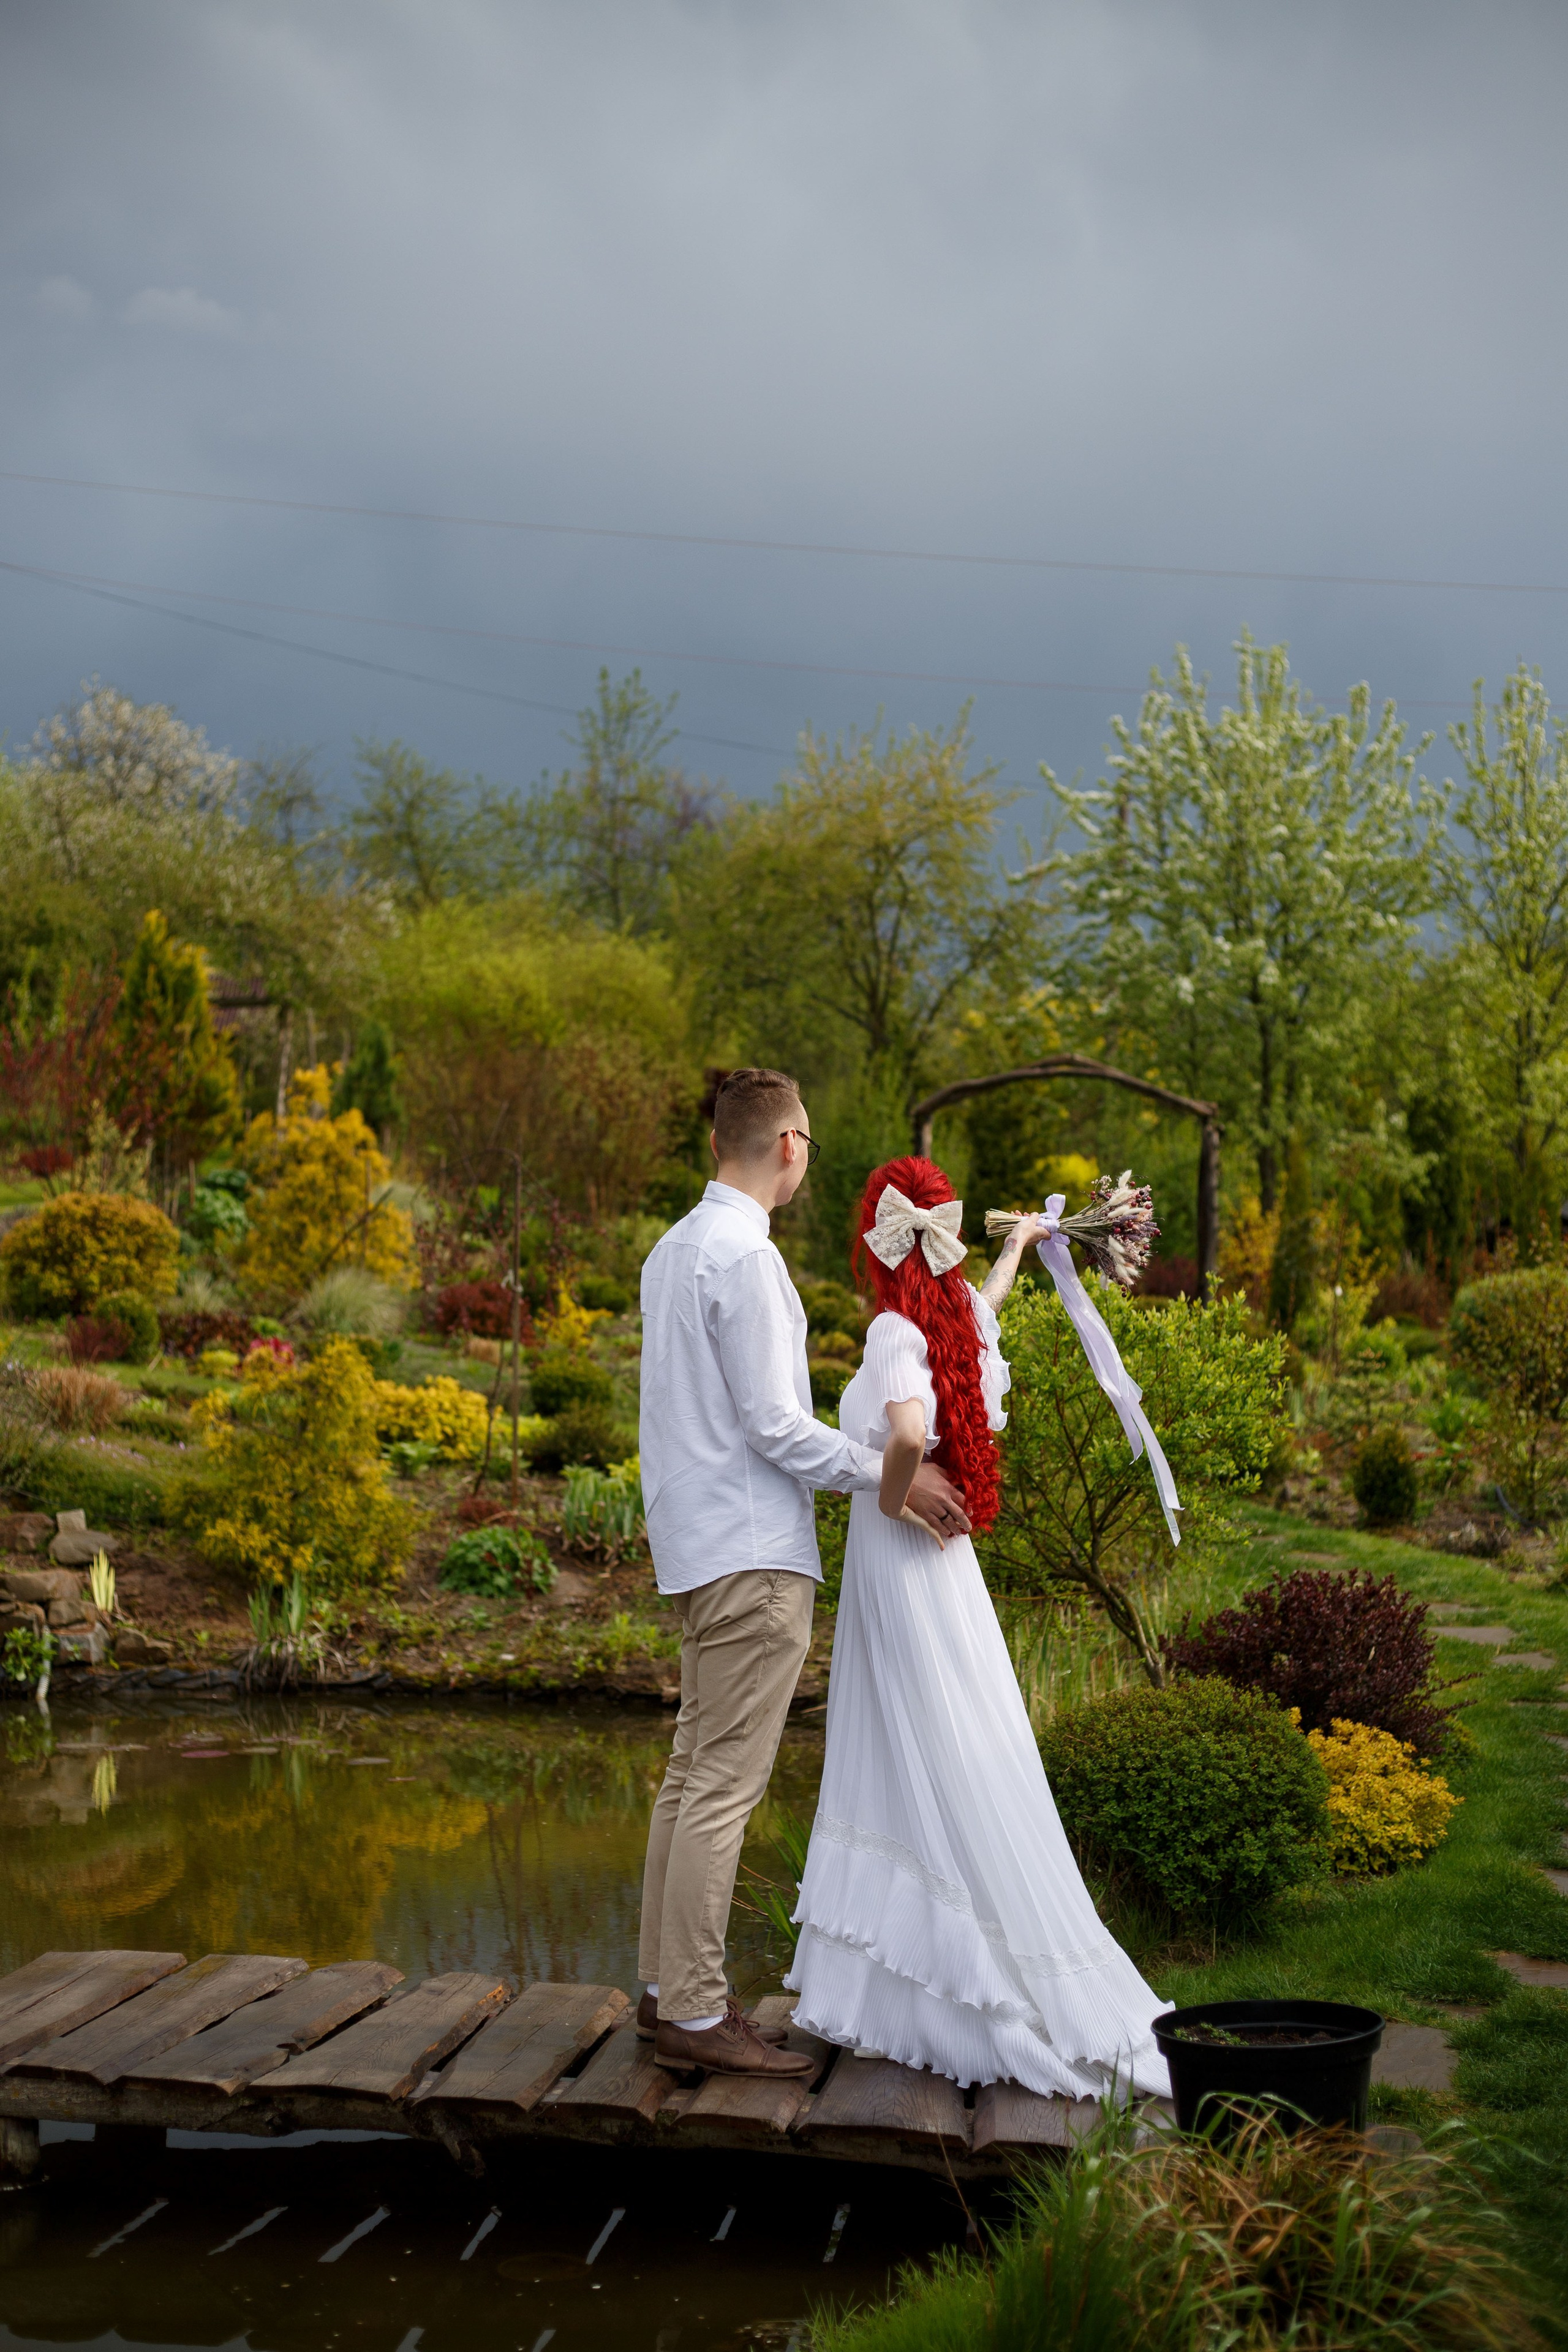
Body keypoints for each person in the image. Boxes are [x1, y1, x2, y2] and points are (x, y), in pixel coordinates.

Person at [786, 1154, 1172, 2100]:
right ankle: (921, 1983)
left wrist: (894, 1496)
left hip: (902, 1555)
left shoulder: (892, 1330)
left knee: (905, 1745)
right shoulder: (952, 1318)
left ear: (881, 1242)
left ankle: (927, 1991)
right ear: (947, 1240)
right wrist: (1019, 1249)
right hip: (943, 1572)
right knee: (948, 1738)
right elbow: (982, 1317)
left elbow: (905, 1434)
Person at [636, 1073, 974, 2079]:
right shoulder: (747, 1257)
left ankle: (664, 1991)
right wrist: (893, 1480)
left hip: (698, 1547)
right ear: (789, 1145)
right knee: (720, 1788)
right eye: (810, 1143)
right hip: (751, 1553)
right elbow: (774, 1426)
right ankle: (696, 2012)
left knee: (690, 1775)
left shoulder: (672, 1249)